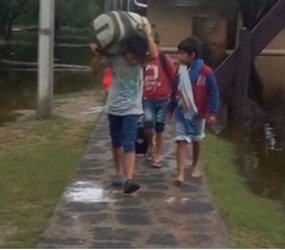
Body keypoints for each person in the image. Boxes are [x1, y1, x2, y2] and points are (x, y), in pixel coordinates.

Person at [90, 24, 158, 194]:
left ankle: (129, 179)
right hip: (114, 108)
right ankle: (118, 172)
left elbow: (155, 54)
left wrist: (148, 34)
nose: (133, 60)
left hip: (132, 110)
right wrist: (97, 55)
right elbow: (95, 70)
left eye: (137, 57)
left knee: (129, 142)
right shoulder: (115, 59)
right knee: (116, 141)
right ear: (125, 50)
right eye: (131, 56)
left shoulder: (141, 61)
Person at [169, 36, 220, 186]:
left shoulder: (206, 72)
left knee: (196, 140)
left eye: (182, 54)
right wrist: (171, 107)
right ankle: (180, 173)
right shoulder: (180, 72)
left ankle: (195, 165)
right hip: (182, 111)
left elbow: (213, 93)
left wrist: (212, 112)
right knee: (181, 141)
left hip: (198, 112)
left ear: (192, 55)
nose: (179, 57)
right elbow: (174, 90)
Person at [142, 32, 176, 168]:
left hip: (163, 98)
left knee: (160, 128)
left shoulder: (163, 59)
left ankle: (157, 155)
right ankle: (151, 143)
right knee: (148, 123)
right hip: (147, 98)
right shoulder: (143, 61)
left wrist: (174, 95)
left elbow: (173, 76)